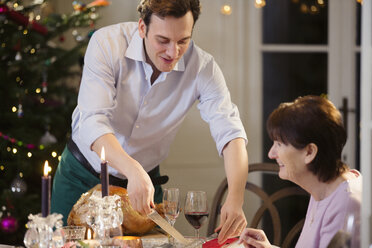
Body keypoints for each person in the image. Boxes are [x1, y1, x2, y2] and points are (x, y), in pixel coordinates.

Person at [51, 0, 248, 243]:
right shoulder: (106, 43)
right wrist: (132, 169)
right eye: (162, 40)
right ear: (142, 28)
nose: (172, 52)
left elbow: (231, 134)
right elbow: (93, 121)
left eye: (183, 41)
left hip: (144, 189)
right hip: (82, 175)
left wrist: (236, 199)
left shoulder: (203, 68)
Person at [238, 95, 361, 248]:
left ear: (309, 152)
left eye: (279, 144)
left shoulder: (345, 205)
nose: (271, 153)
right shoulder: (322, 188)